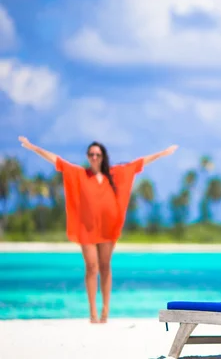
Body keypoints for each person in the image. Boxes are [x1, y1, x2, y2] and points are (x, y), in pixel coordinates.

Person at [18, 136, 178, 323]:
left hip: (107, 228)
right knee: (91, 267)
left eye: (98, 154)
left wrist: (163, 153)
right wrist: (33, 147)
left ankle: (105, 309)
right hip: (86, 228)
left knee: (105, 266)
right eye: (91, 154)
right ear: (88, 156)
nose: (94, 157)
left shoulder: (115, 173)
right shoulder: (80, 174)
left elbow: (138, 164)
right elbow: (57, 160)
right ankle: (93, 311)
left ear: (103, 157)